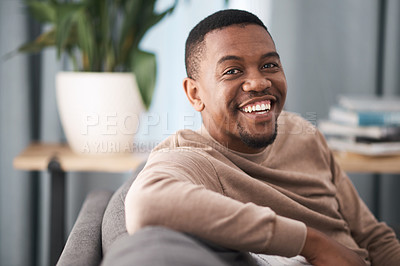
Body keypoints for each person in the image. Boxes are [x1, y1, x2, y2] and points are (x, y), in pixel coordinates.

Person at [116, 9, 400, 266]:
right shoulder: (196, 157)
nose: (259, 82)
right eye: (232, 71)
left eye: (269, 65)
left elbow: (373, 237)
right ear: (195, 94)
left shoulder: (304, 134)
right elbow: (146, 204)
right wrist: (313, 244)